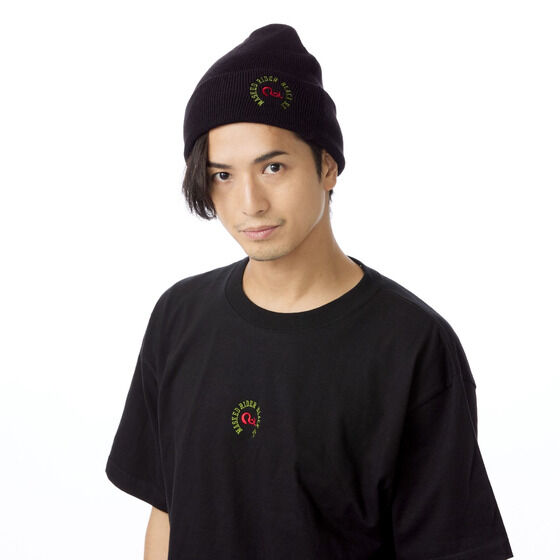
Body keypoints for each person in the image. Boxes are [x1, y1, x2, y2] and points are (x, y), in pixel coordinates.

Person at [105, 23, 514, 560]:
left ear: (327, 166)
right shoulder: (178, 316)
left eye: (273, 167)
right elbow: (166, 513)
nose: (249, 202)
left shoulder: (411, 346)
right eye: (222, 175)